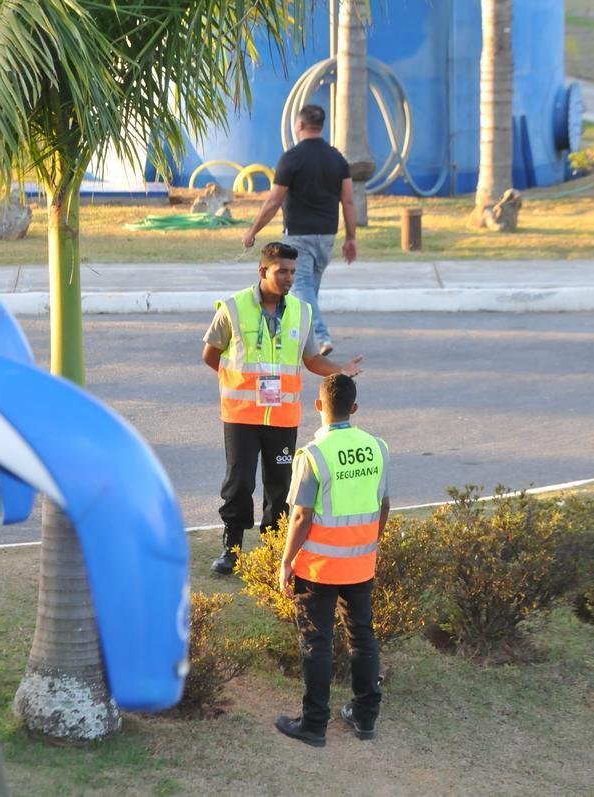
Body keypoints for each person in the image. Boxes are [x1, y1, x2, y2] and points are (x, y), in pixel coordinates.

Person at [203, 242, 363, 576]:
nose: (289, 278)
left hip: (282, 417)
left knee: (280, 485)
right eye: (282, 272)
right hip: (241, 417)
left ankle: (275, 550)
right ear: (263, 271)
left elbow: (312, 359)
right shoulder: (233, 308)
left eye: (292, 272)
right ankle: (231, 550)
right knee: (239, 482)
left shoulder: (302, 312)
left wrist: (340, 370)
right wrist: (236, 382)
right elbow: (211, 354)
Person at [275, 374, 389, 747]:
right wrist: (371, 543)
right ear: (354, 409)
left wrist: (286, 560)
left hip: (319, 568)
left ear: (318, 405)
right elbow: (383, 505)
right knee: (363, 637)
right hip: (361, 565)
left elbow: (300, 517)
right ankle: (365, 716)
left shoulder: (313, 455)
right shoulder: (377, 448)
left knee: (317, 643)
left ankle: (314, 724)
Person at [242, 104, 357, 357]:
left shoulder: (291, 158)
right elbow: (348, 200)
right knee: (307, 291)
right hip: (327, 236)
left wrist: (252, 231)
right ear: (321, 126)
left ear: (299, 125)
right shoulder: (337, 159)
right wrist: (350, 238)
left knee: (301, 288)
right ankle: (302, 343)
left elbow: (273, 201)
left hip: (299, 236)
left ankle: (321, 336)